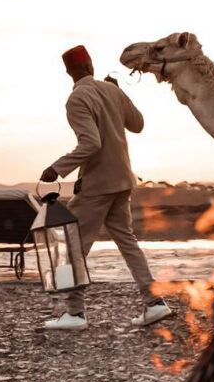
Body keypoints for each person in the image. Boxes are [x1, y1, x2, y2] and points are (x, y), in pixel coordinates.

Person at [39, 45, 172, 330]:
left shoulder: (76, 98)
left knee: (73, 244)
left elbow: (91, 144)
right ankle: (154, 303)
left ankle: (75, 314)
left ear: (69, 72)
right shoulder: (111, 91)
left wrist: (57, 168)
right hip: (122, 180)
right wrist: (121, 93)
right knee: (127, 241)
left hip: (98, 185)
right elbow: (138, 124)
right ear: (90, 66)